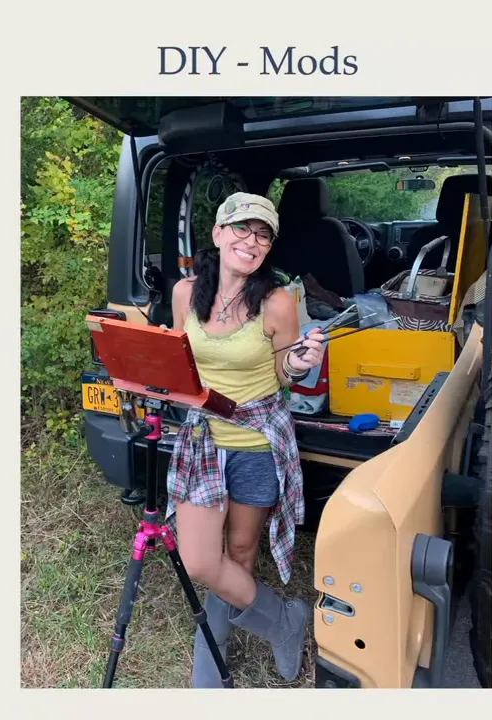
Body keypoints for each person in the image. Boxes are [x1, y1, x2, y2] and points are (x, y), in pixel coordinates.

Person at [162, 192, 327, 687]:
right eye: (241, 229)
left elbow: (284, 371)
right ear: (217, 234)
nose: (250, 241)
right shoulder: (184, 294)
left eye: (262, 234)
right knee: (199, 560)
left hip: (257, 442)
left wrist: (297, 364)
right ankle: (285, 620)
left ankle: (211, 657)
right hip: (202, 442)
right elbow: (180, 361)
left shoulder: (277, 302)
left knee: (237, 553)